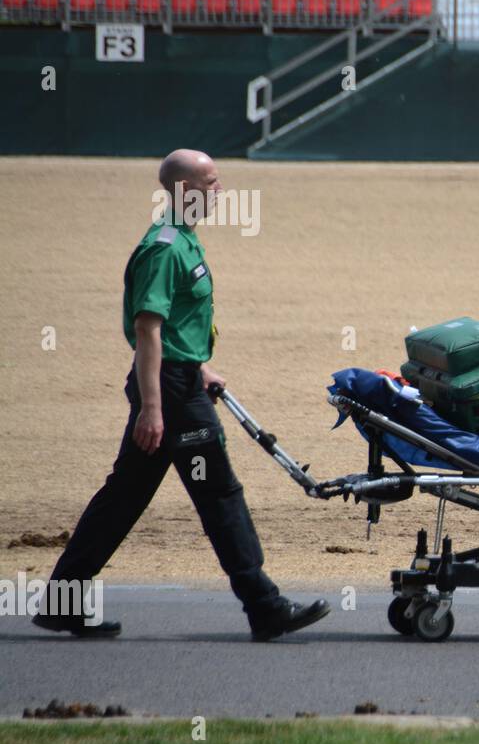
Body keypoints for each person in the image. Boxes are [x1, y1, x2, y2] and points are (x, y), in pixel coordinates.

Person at [35, 149, 329, 641]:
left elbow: (173, 327)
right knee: (219, 494)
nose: (220, 191)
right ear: (185, 191)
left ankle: (62, 602)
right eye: (211, 183)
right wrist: (152, 409)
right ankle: (265, 606)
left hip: (180, 381)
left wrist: (202, 367)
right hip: (169, 394)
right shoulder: (165, 249)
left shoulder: (185, 240)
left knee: (122, 498)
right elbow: (148, 331)